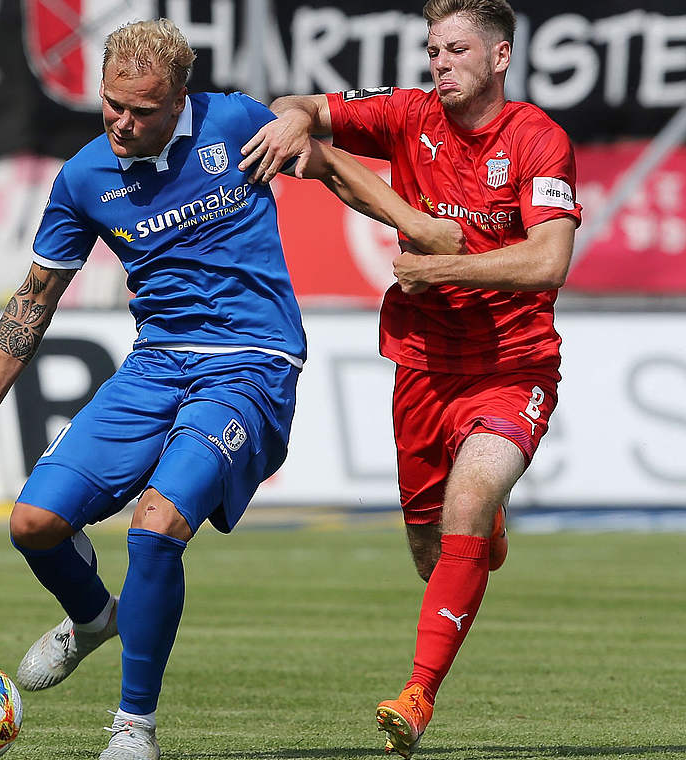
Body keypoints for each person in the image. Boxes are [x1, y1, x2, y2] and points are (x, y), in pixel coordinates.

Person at [0, 18, 459, 760]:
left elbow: (336, 168)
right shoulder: (84, 176)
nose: (121, 122)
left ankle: (132, 729)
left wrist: (417, 225)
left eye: (141, 110)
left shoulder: (237, 123)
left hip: (252, 364)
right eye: (111, 104)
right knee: (33, 524)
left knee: (156, 528)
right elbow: (35, 297)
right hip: (157, 364)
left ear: (181, 98)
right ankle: (92, 618)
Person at [240, 0, 582, 756]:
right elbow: (298, 109)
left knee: (469, 494)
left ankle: (417, 695)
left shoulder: (534, 138)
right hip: (422, 366)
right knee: (432, 553)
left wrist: (441, 262)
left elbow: (548, 260)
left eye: (457, 49)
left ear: (499, 58)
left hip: (511, 366)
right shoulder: (405, 115)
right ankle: (480, 529)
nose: (440, 63)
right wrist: (296, 119)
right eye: (433, 50)